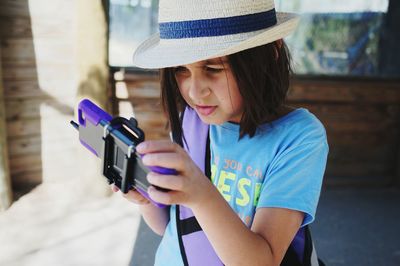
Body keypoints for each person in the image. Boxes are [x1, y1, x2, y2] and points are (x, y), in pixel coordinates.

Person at [112, 0, 329, 265]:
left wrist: (201, 194)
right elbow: (175, 227)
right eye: (181, 69)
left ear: (270, 53)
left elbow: (264, 260)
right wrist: (145, 199)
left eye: (213, 68)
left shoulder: (299, 137)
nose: (194, 91)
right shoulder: (190, 122)